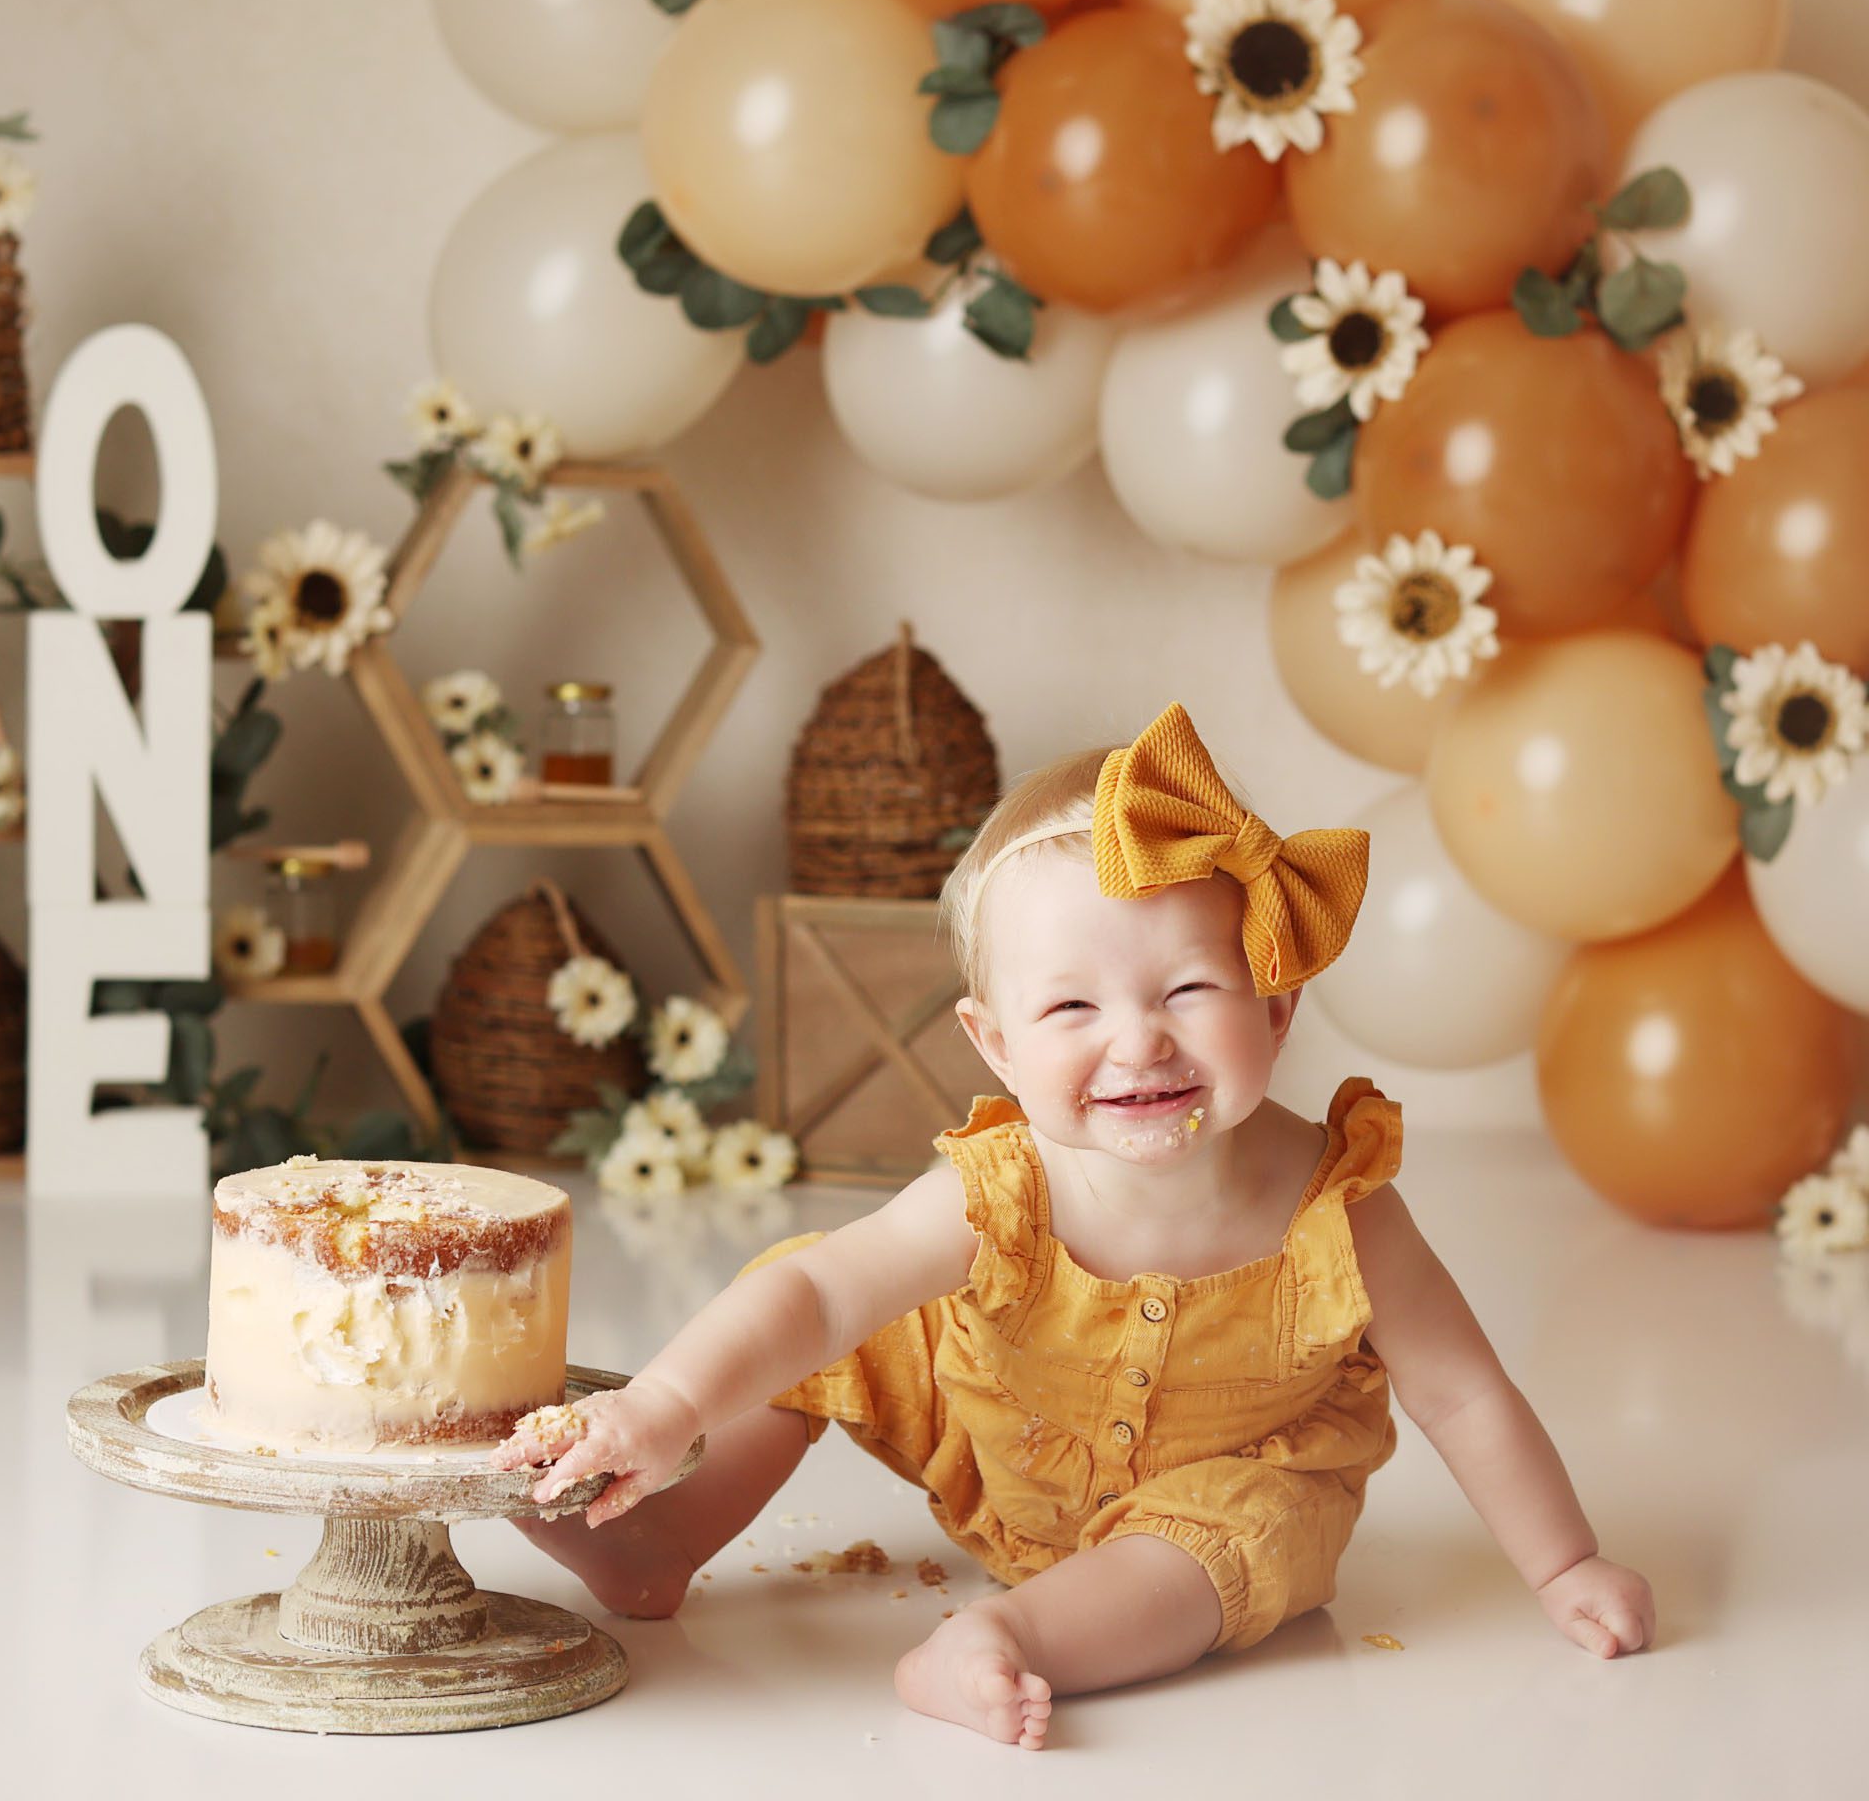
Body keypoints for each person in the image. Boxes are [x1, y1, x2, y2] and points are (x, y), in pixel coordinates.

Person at [495, 701, 1656, 1750]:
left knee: (1256, 1527)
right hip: (1005, 1446)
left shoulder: (1336, 1206)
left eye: (1187, 989)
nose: (1138, 1040)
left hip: (1212, 1496)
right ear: (994, 1041)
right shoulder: (1000, 1188)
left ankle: (999, 1640)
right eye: (1070, 1005)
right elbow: (814, 1300)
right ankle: (657, 1535)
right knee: (825, 1294)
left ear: (1276, 1003)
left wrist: (1564, 1563)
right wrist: (661, 1404)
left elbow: (1464, 1391)